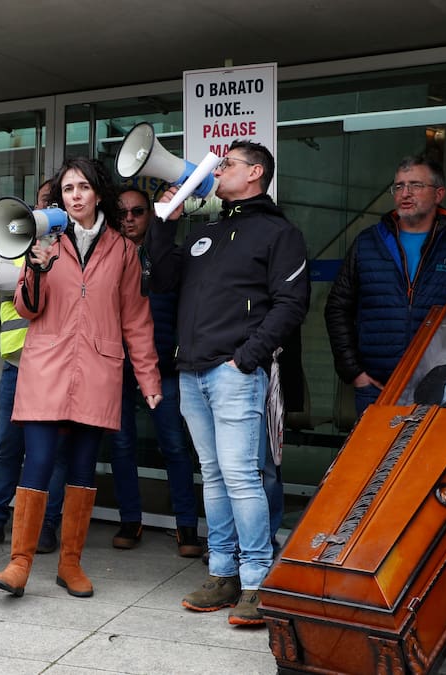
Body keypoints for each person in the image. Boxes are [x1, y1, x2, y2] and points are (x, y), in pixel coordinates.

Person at [149, 140, 310, 626]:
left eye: (229, 164)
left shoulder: (279, 233)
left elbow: (290, 304)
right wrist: (165, 222)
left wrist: (247, 358)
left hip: (233, 372)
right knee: (216, 477)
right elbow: (162, 280)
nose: (217, 171)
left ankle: (257, 578)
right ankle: (223, 572)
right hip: (193, 371)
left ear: (256, 173)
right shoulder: (208, 231)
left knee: (242, 478)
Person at [0, 157, 160, 599]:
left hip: (98, 370)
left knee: (83, 469)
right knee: (39, 462)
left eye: (83, 187)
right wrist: (38, 268)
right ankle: (19, 563)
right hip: (46, 365)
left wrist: (149, 378)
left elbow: (136, 320)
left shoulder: (123, 250)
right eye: (68, 189)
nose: (76, 196)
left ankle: (70, 564)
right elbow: (28, 308)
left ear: (98, 192)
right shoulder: (43, 239)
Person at [325, 156, 446, 415]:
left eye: (415, 185)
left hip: (442, 389)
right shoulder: (368, 243)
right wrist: (354, 372)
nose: (405, 193)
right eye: (398, 186)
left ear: (439, 194)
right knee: (371, 457)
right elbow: (337, 308)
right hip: (376, 389)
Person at [109, 187, 202, 557]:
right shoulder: (105, 255)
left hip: (162, 365)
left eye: (137, 211)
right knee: (120, 445)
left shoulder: (169, 256)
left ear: (151, 215)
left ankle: (187, 525)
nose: (129, 218)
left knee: (175, 446)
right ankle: (130, 519)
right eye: (122, 213)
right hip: (116, 364)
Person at [0, 179, 69, 554]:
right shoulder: (16, 242)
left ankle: (46, 523)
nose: (43, 208)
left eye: (52, 203)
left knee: (52, 452)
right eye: (42, 201)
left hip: (55, 366)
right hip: (16, 362)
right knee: (7, 448)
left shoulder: (76, 247)